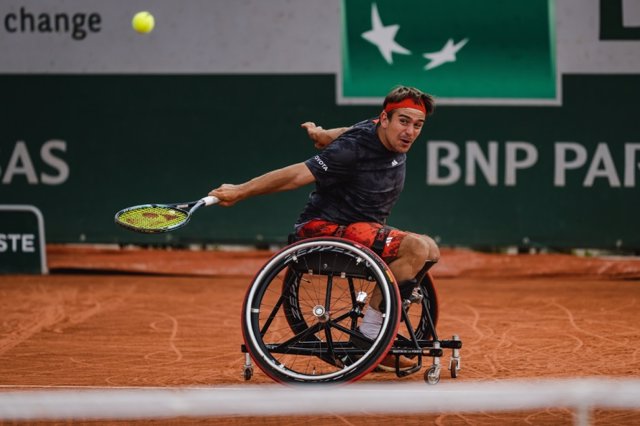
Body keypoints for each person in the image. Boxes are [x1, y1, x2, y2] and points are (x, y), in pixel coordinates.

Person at [209, 85, 439, 371]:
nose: (410, 132)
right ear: (385, 118)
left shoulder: (375, 130)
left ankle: (380, 325)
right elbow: (295, 175)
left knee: (429, 248)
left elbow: (347, 129)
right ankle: (370, 341)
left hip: (362, 228)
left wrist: (321, 135)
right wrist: (241, 190)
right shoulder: (352, 150)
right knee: (416, 247)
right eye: (403, 121)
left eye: (418, 125)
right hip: (324, 228)